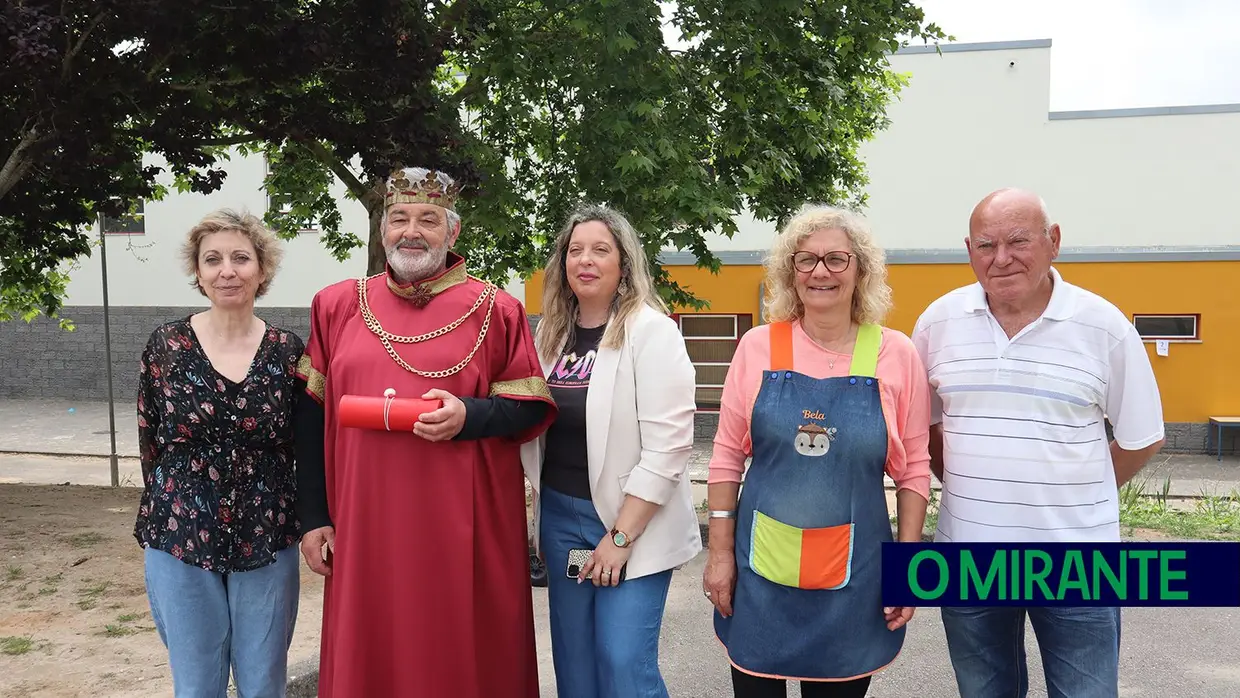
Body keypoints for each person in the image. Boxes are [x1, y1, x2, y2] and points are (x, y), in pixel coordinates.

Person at [294, 166, 558, 698]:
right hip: (364, 521)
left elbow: (529, 409)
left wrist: (470, 417)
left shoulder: (496, 309)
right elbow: (310, 415)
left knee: (456, 655)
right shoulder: (339, 305)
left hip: (462, 525)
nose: (411, 231)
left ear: (452, 232)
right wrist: (314, 517)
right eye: (399, 219)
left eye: (428, 220)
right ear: (383, 229)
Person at [911, 188, 1166, 698]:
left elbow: (1142, 438)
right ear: (969, 250)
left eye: (1018, 241)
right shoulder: (936, 324)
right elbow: (925, 430)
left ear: (1053, 241)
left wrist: (1076, 492)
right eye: (986, 245)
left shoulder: (1105, 327)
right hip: (969, 559)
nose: (1001, 258)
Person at [704, 203, 933, 698]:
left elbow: (914, 469)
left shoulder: (896, 354)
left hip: (856, 583)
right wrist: (720, 554)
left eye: (836, 259)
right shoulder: (758, 347)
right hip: (758, 576)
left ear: (861, 270)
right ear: (790, 273)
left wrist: (908, 568)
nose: (820, 272)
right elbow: (725, 457)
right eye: (805, 260)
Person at [520, 204, 702, 697]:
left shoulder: (652, 332)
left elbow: (668, 450)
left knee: (622, 665)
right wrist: (541, 520)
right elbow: (542, 439)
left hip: (633, 522)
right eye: (575, 250)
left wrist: (619, 539)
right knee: (575, 669)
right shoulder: (549, 335)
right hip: (561, 518)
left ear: (624, 263)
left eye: (601, 250)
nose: (586, 260)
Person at [134, 209, 304, 697]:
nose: (226, 270)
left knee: (264, 676)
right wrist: (173, 499)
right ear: (199, 273)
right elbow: (151, 435)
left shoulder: (288, 352)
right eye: (213, 260)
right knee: (196, 680)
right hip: (181, 527)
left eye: (240, 258)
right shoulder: (165, 346)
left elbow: (302, 444)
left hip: (266, 529)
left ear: (262, 270)